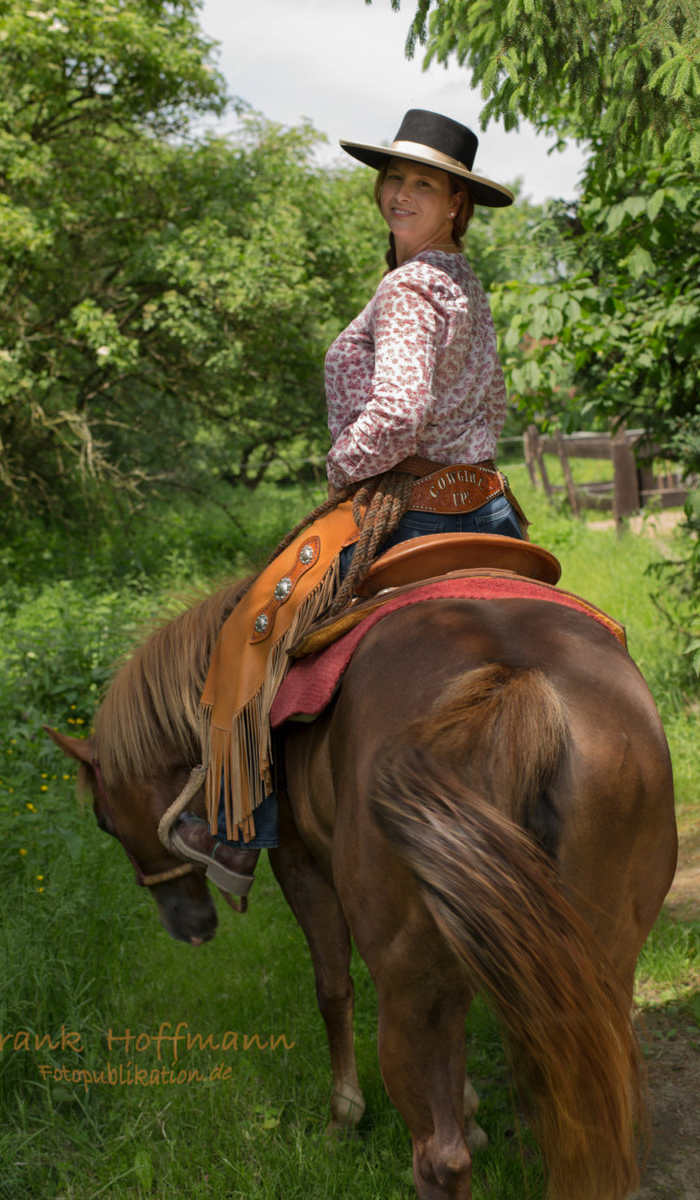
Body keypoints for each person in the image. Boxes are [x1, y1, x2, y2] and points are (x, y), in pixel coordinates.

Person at [171, 110, 523, 895]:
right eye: (394, 177)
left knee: (247, 633)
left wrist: (342, 468)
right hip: (486, 506)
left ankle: (235, 834)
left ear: (457, 204)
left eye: (423, 184)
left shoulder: (407, 287)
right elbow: (493, 400)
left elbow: (398, 414)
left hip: (403, 503)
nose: (400, 193)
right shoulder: (462, 280)